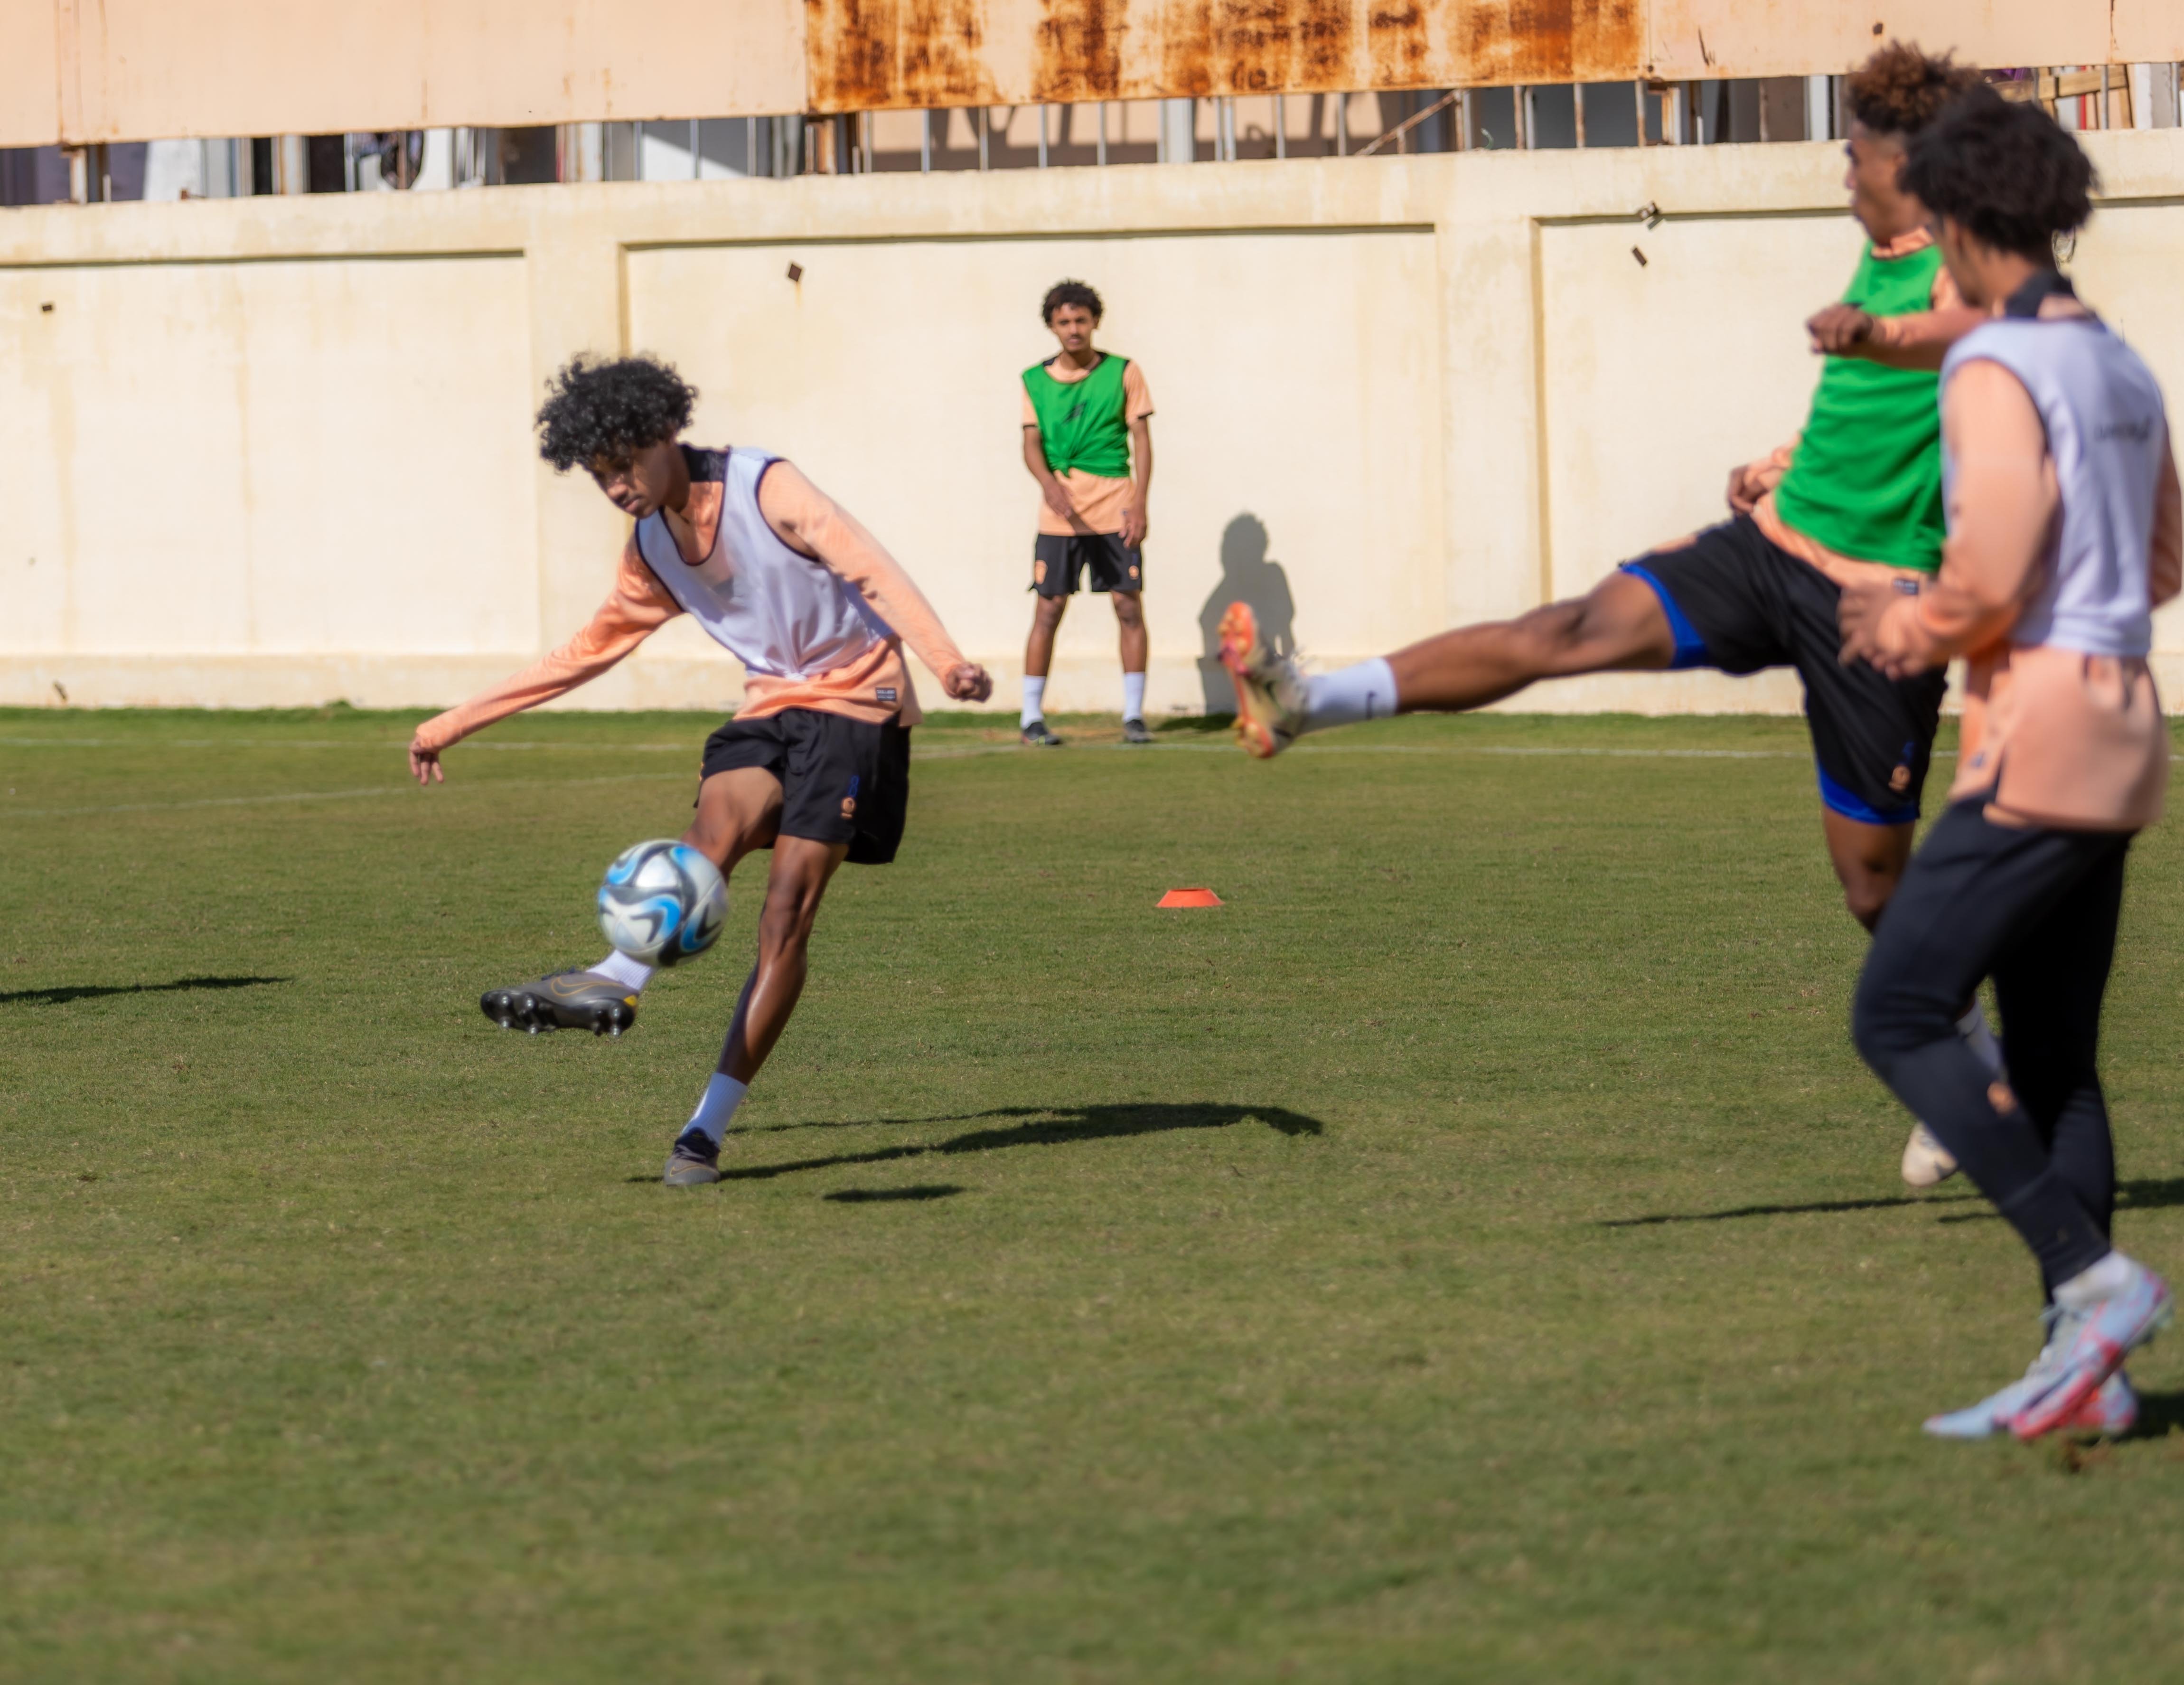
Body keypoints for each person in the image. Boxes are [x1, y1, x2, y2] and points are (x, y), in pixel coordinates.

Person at [1219, 43, 1990, 1177]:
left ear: (1905, 162)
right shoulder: (1872, 249)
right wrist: (1782, 459)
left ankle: (1966, 1055)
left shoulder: (1958, 263)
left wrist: (1879, 339)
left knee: (1871, 883)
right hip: (1770, 546)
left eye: (1854, 152)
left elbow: (1973, 350)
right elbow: (1880, 405)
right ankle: (1308, 696)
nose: (1841, 170)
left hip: (1875, 607)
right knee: (1566, 631)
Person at [407, 355, 993, 1185]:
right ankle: (615, 979)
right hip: (768, 710)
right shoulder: (650, 548)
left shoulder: (765, 487)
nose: (616, 487)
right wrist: (453, 721)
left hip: (859, 703)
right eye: (599, 475)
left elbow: (869, 566)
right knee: (704, 838)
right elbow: (585, 652)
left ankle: (704, 1128)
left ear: (665, 434)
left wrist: (946, 660)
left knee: (785, 909)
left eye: (624, 465)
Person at [1843, 94, 2179, 1440]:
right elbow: (2165, 560)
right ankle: (2088, 1377)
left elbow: (1982, 578)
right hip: (2124, 721)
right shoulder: (2115, 359)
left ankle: (2092, 1279)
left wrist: (1901, 620)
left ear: (1962, 221)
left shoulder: (1989, 367)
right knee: (2057, 1060)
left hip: (2035, 722)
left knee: (1899, 1010)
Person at [1018, 280, 1156, 746]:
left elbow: (1140, 439)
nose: (1073, 330)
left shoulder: (1123, 371)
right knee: (1048, 609)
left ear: (1094, 321)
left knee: (1126, 606)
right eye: (1063, 322)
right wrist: (1048, 484)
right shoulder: (1032, 381)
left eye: (1080, 320)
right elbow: (1030, 444)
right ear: (1052, 327)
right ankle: (1030, 719)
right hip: (1060, 517)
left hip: (1115, 511)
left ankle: (1134, 716)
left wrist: (1139, 502)